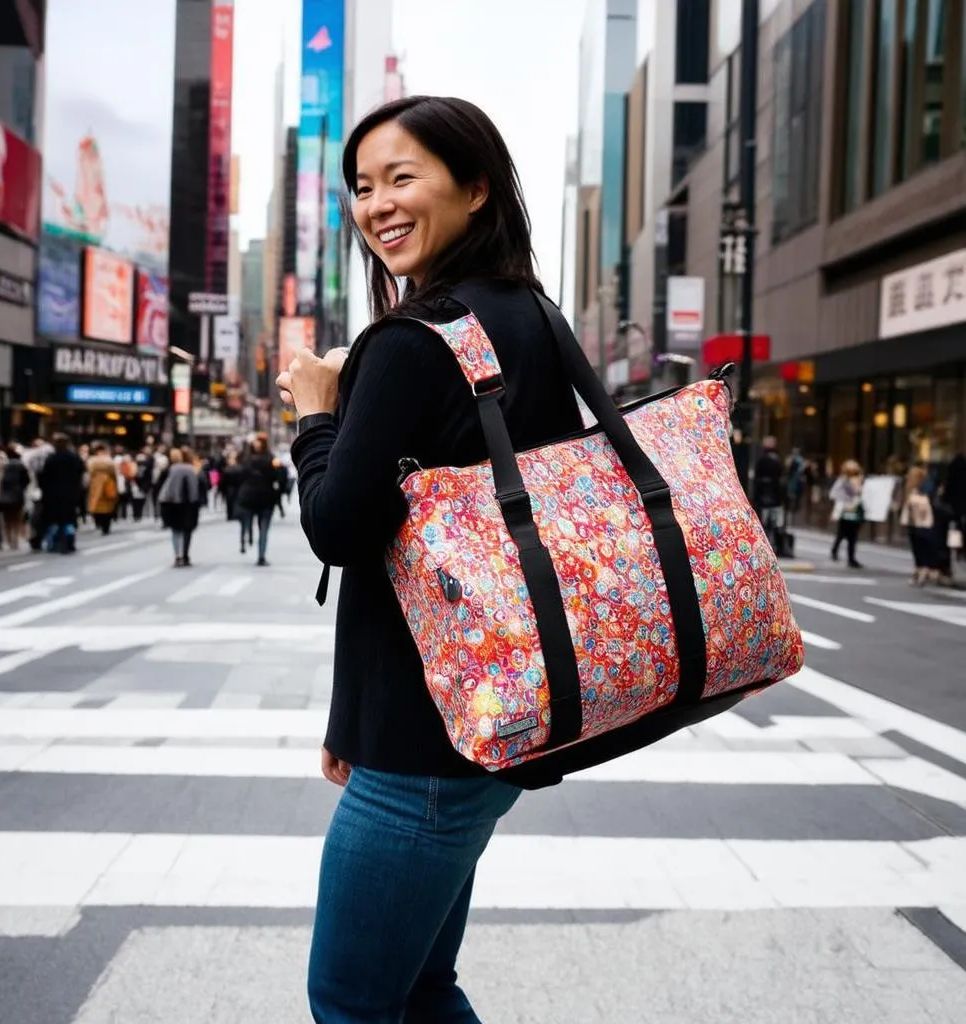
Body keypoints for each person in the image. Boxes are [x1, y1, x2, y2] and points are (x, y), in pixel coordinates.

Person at [277, 95, 588, 1023]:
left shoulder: (413, 342)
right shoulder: (532, 315)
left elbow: (339, 529)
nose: (377, 206)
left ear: (477, 187)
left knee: (351, 1001)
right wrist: (352, 722)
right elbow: (426, 553)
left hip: (425, 747)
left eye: (402, 177)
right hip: (494, 717)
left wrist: (314, 411)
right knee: (419, 989)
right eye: (363, 187)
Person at [38, 434, 85, 553]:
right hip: (70, 495)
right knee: (69, 520)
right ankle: (70, 541)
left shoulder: (51, 458)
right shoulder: (74, 458)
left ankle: (54, 542)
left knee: (54, 520)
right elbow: (80, 474)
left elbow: (43, 477)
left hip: (53, 495)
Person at [236, 435, 278, 565]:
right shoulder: (271, 460)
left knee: (248, 522)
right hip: (266, 498)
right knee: (264, 528)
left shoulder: (247, 461)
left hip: (249, 497)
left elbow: (239, 476)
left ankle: (247, 539)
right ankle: (261, 555)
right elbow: (278, 477)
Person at [159, 447, 200, 567]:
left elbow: (164, 488)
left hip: (172, 503)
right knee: (187, 530)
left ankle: (178, 555)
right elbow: (194, 489)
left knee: (175, 530)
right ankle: (185, 555)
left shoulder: (171, 469)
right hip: (187, 504)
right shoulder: (191, 470)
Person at [900, 464, 938, 586]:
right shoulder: (913, 489)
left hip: (922, 522)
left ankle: (922, 570)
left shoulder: (922, 489)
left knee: (921, 548)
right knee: (918, 548)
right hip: (917, 522)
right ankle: (920, 570)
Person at [829, 459, 865, 568]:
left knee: (844, 534)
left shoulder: (848, 480)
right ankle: (850, 558)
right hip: (848, 511)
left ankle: (837, 552)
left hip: (850, 511)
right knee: (849, 535)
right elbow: (854, 492)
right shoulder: (845, 481)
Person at [0, 445, 30, 550]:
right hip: (18, 495)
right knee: (17, 519)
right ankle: (15, 541)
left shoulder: (4, 466)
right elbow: (27, 480)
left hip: (5, 495)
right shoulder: (21, 465)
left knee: (7, 520)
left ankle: (8, 540)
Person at [87, 443, 120, 535]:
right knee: (106, 507)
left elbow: (90, 471)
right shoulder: (109, 461)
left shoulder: (92, 461)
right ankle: (105, 526)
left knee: (98, 505)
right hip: (107, 484)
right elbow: (114, 472)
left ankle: (100, 524)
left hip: (97, 485)